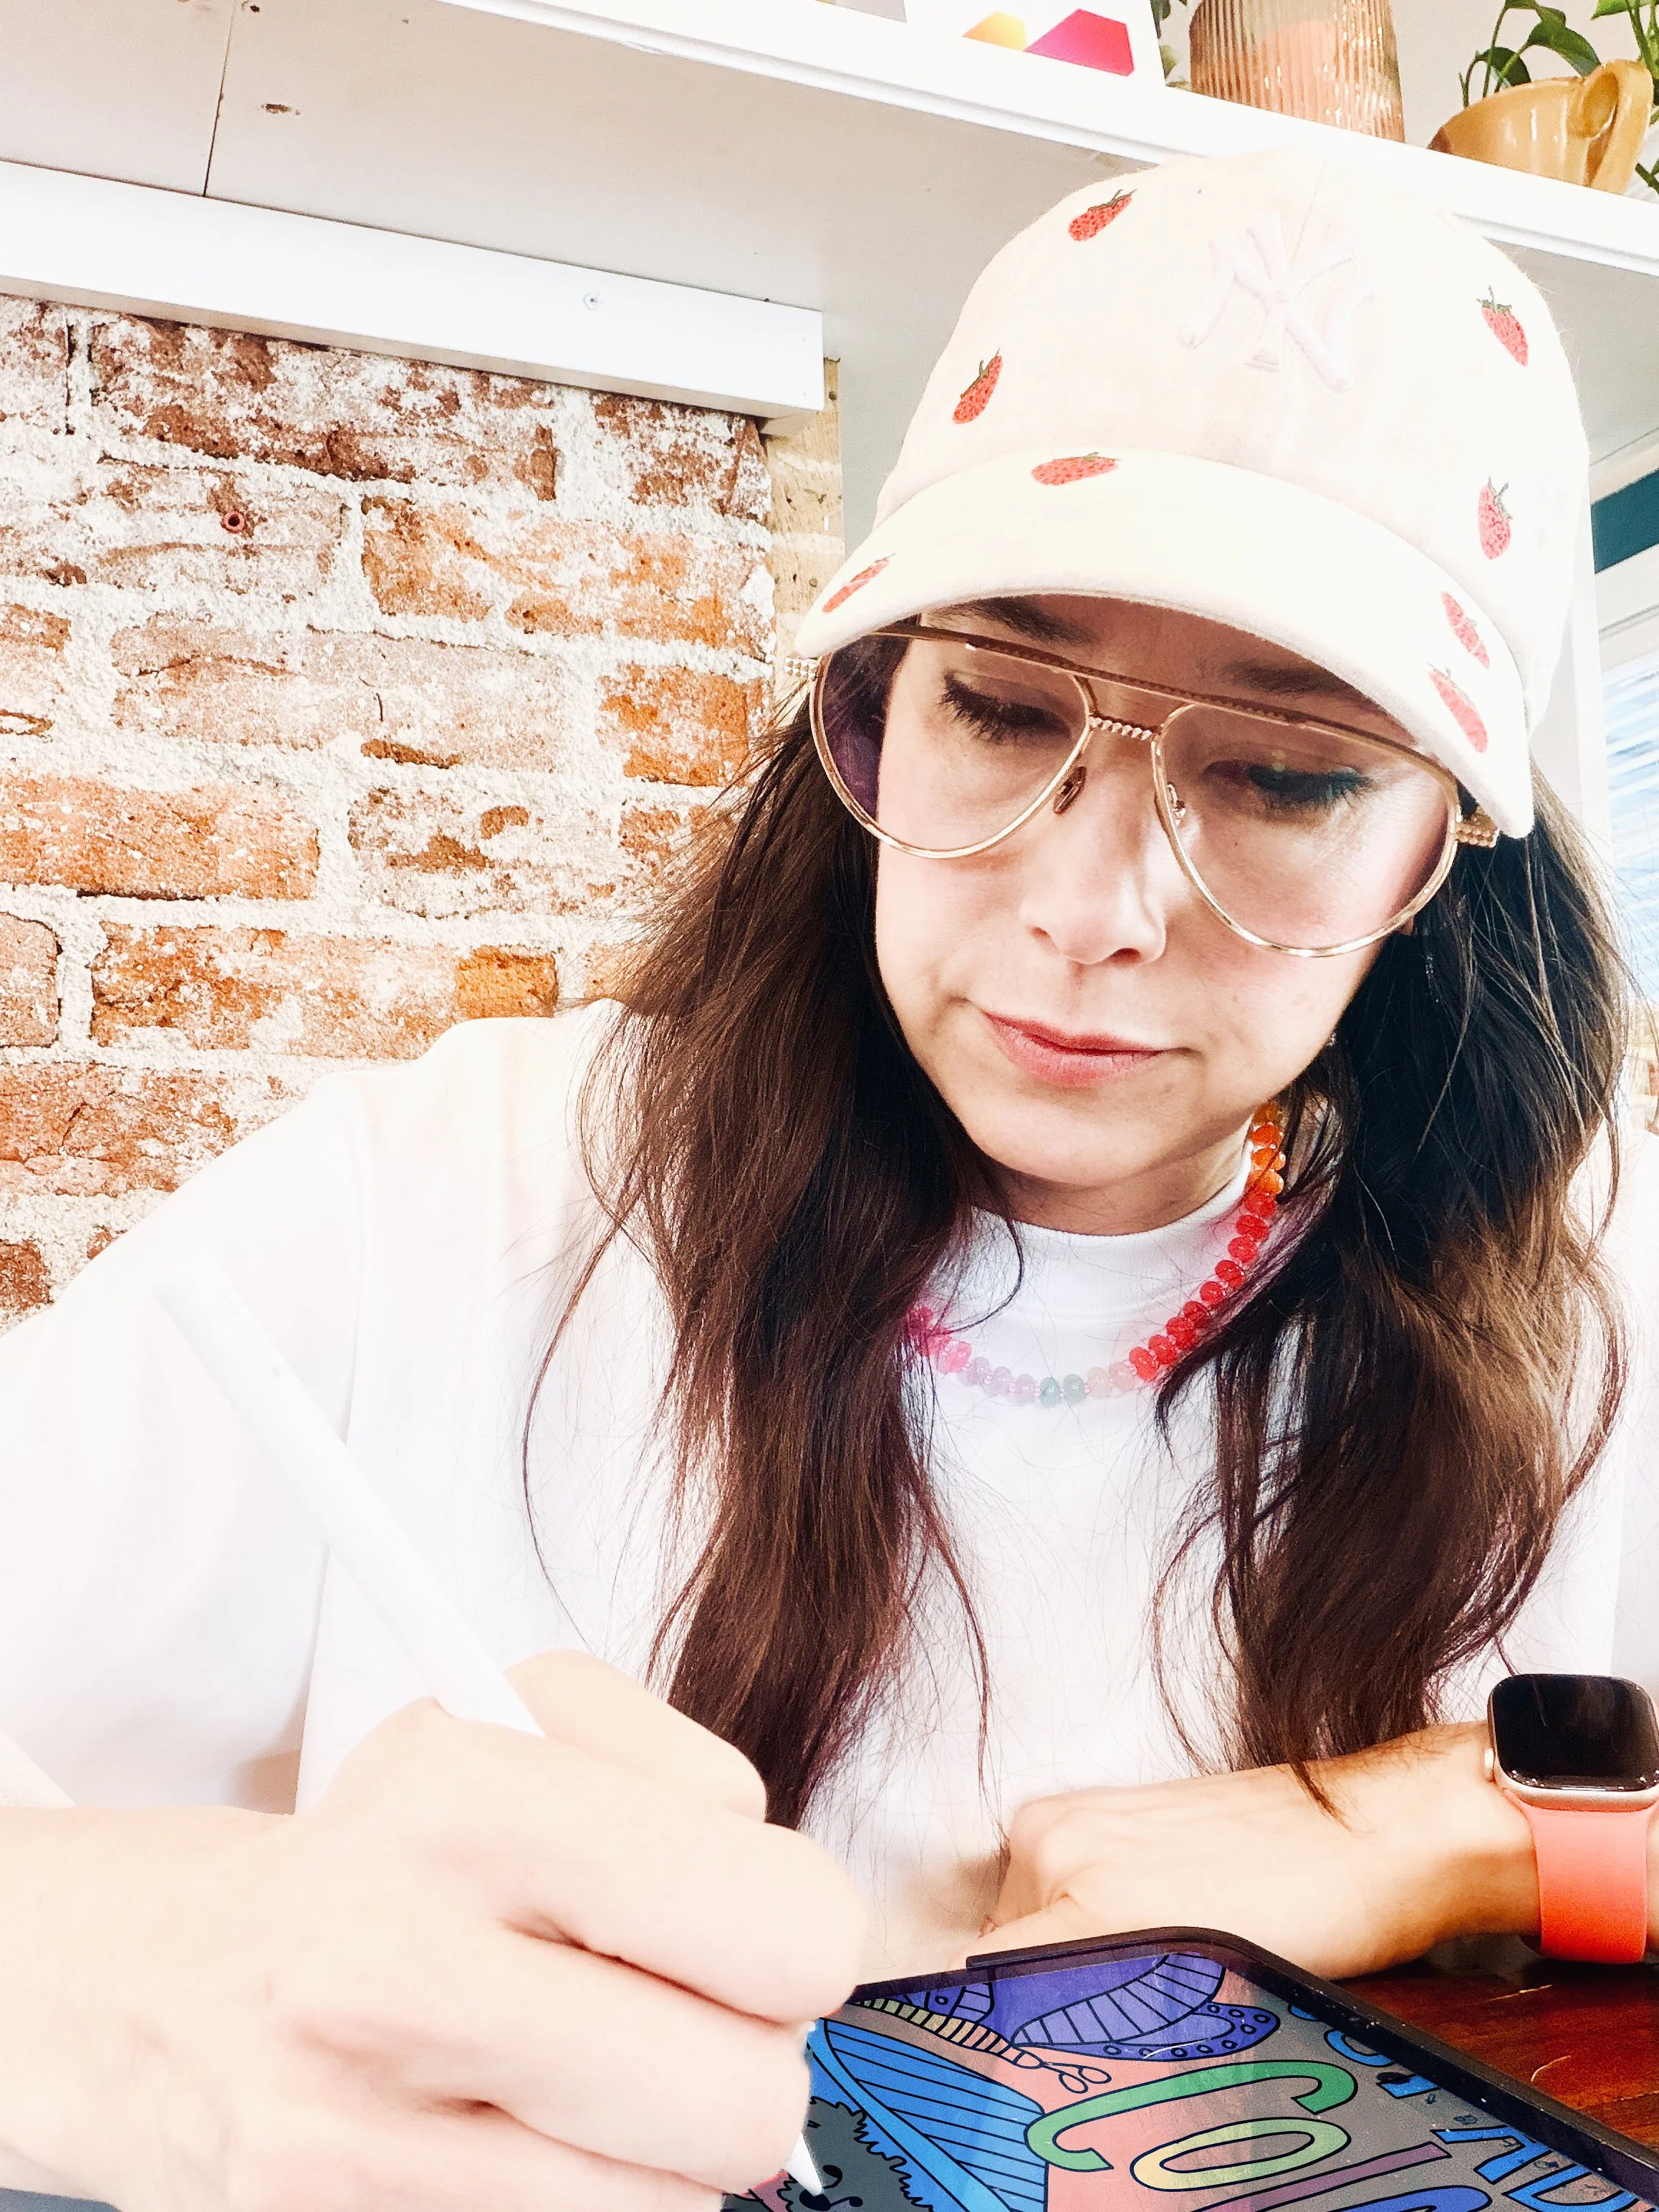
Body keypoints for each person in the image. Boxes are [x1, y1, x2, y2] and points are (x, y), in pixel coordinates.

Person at [0, 142, 1653, 2212]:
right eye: (1001, 709)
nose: (1090, 907)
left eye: (1290, 773)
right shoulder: (448, 1201)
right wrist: (171, 2004)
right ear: (866, 714)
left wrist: (1442, 1823)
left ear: (1444, 854)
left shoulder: (1585, 1287)